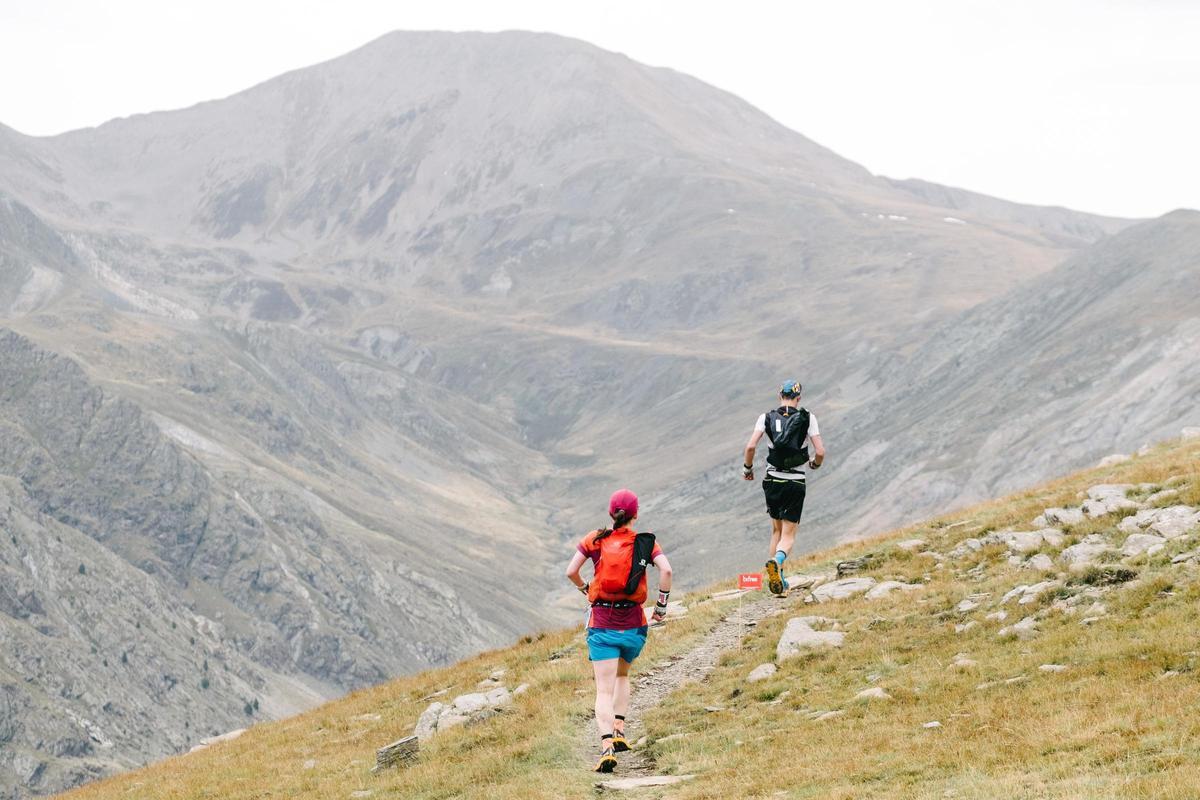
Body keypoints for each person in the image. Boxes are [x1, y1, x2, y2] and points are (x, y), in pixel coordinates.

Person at [565, 489, 673, 773]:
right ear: (635, 515)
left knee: (603, 689)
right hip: (634, 624)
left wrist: (585, 589)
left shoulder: (594, 539)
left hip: (602, 623)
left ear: (611, 513)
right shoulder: (645, 543)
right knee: (623, 674)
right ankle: (620, 728)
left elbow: (570, 571)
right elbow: (667, 571)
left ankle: (605, 746)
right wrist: (661, 607)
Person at [741, 380, 825, 595]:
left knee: (776, 530)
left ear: (780, 395)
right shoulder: (808, 418)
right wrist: (814, 464)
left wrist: (747, 469)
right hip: (795, 481)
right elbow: (820, 451)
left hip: (772, 480)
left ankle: (778, 579)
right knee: (789, 535)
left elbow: (750, 446)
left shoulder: (766, 418)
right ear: (799, 398)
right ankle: (777, 562)